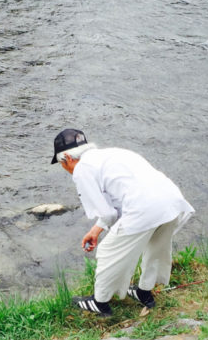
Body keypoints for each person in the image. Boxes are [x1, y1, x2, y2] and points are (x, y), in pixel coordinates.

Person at [52, 128, 194, 316]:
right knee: (156, 247)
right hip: (171, 199)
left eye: (62, 164)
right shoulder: (112, 153)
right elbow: (117, 199)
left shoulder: (81, 169)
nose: (65, 169)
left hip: (144, 207)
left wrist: (109, 231)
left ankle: (100, 303)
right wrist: (96, 230)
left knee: (107, 251)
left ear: (67, 158)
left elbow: (108, 213)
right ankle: (144, 292)